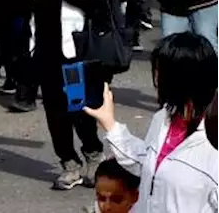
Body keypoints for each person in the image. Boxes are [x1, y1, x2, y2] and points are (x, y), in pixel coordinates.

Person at [15, 0, 116, 189]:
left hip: (75, 52)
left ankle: (93, 154)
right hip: (45, 51)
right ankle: (68, 162)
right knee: (54, 110)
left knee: (79, 108)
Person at [86, 33, 219, 210]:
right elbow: (147, 164)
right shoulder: (163, 118)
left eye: (161, 73)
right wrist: (110, 124)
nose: (156, 80)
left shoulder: (214, 141)